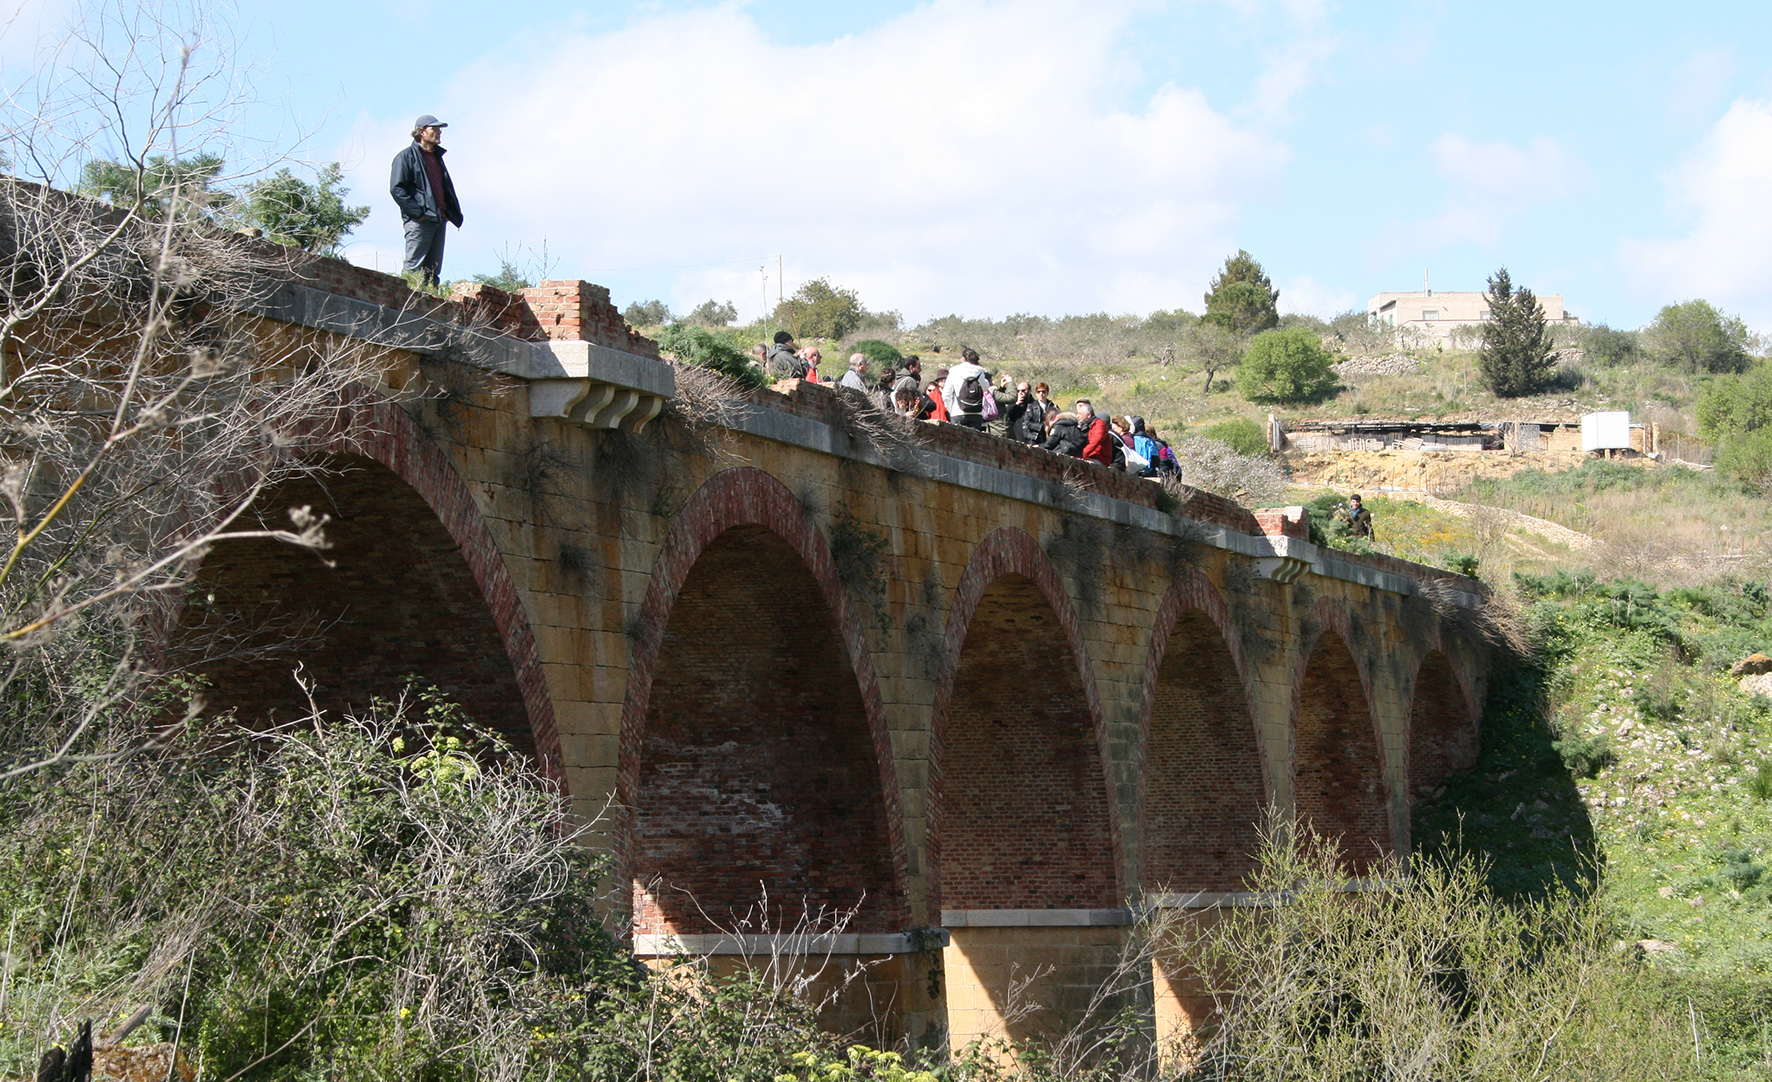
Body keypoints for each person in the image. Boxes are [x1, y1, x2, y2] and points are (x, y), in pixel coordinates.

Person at [390, 115, 463, 287]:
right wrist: (418, 214)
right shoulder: (406, 157)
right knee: (414, 267)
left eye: (439, 130)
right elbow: (397, 189)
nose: (439, 133)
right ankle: (409, 304)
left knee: (433, 271)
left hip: (439, 219)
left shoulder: (437, 157)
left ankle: (430, 304)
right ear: (422, 132)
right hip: (420, 221)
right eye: (434, 129)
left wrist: (448, 214)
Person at [943, 347, 991, 431]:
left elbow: (946, 394)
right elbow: (985, 388)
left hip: (958, 412)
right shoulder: (980, 372)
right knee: (973, 442)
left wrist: (951, 410)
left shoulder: (954, 372)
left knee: (957, 442)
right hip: (976, 413)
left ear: (963, 359)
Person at [1075, 399, 1113, 466]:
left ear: (1089, 415)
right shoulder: (1084, 426)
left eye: (1080, 414)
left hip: (1099, 458)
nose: (1077, 416)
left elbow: (1097, 440)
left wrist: (1084, 453)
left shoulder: (1099, 424)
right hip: (1090, 456)